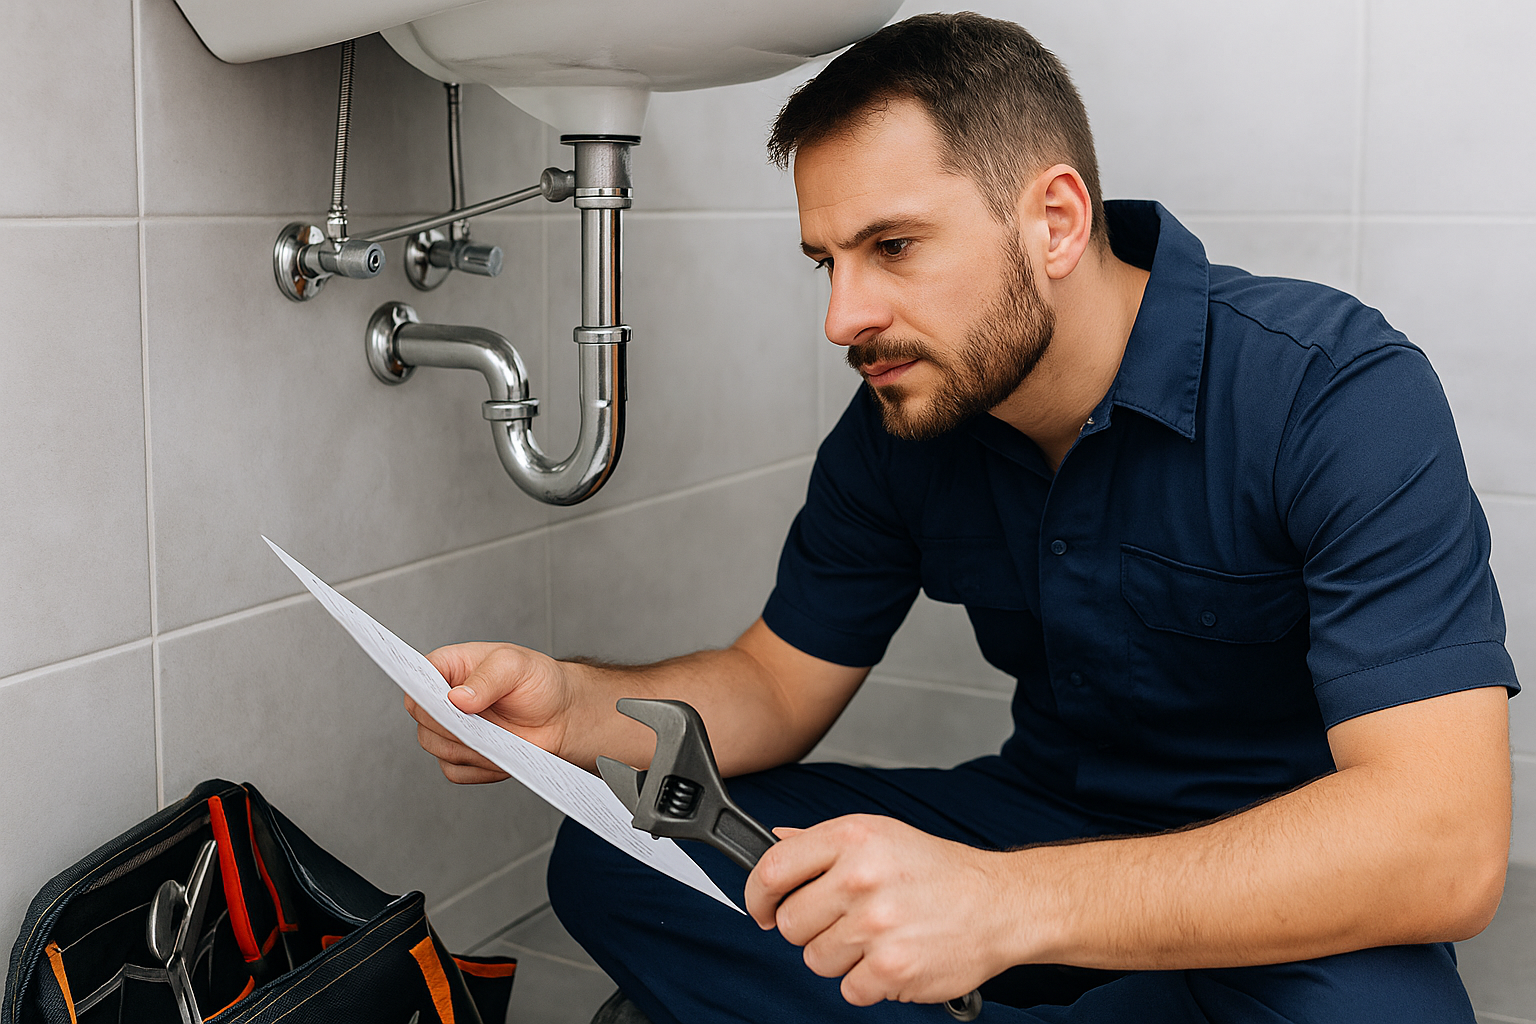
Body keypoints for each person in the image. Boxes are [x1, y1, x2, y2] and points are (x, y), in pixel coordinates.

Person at [405, 13, 1518, 1023]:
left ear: (1056, 222)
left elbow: (1445, 845)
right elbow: (776, 686)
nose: (844, 316)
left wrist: (1001, 904)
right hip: (1040, 813)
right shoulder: (905, 415)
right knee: (623, 853)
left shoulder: (1331, 393)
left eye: (893, 247)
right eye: (827, 262)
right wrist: (576, 710)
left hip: (1274, 865)